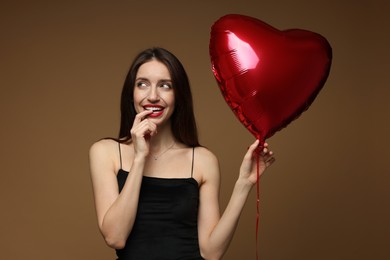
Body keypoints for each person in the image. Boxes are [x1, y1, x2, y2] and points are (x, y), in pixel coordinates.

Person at [89, 47, 275, 260]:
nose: (152, 96)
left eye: (165, 86)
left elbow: (211, 253)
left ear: (178, 96)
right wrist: (140, 157)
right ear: (131, 95)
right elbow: (115, 237)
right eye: (142, 84)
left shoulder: (203, 160)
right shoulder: (106, 152)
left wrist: (244, 184)